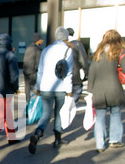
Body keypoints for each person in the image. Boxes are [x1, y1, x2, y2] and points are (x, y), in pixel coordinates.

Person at [28, 27, 74, 155]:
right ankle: (58, 140)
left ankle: (37, 134)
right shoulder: (68, 51)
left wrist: (37, 87)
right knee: (59, 113)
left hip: (45, 87)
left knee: (46, 114)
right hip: (60, 87)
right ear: (66, 37)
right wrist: (69, 91)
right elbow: (68, 73)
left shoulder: (46, 50)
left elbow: (40, 71)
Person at [87, 29, 125, 153]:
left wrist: (90, 90)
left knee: (100, 117)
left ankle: (100, 144)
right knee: (115, 113)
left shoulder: (98, 52)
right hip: (114, 88)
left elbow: (92, 72)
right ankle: (114, 140)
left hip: (98, 90)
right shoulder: (119, 51)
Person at [67, 28, 89, 103]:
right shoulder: (77, 44)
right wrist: (86, 73)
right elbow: (83, 60)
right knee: (73, 100)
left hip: (63, 77)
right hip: (75, 76)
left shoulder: (61, 44)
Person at [23, 33, 43, 102]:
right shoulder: (37, 49)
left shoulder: (28, 48)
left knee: (28, 89)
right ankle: (34, 104)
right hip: (34, 72)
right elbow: (39, 62)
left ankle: (28, 103)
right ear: (38, 40)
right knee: (35, 90)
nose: (42, 41)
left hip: (26, 72)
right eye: (41, 39)